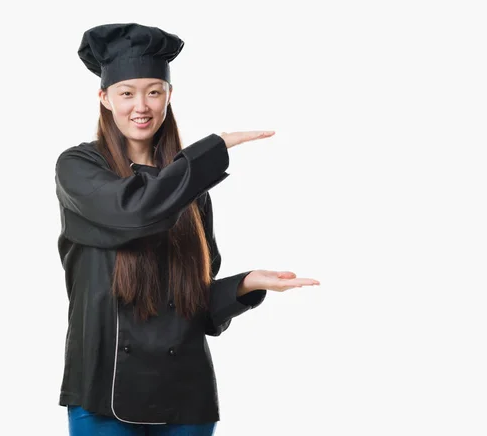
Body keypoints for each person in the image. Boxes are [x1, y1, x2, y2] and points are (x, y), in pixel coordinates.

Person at [55, 23, 320, 436]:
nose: (141, 106)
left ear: (168, 97)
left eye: (154, 91)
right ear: (104, 98)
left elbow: (193, 308)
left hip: (186, 399)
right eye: (126, 93)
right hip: (102, 397)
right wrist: (212, 149)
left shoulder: (189, 188)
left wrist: (244, 285)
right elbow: (135, 213)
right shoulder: (78, 168)